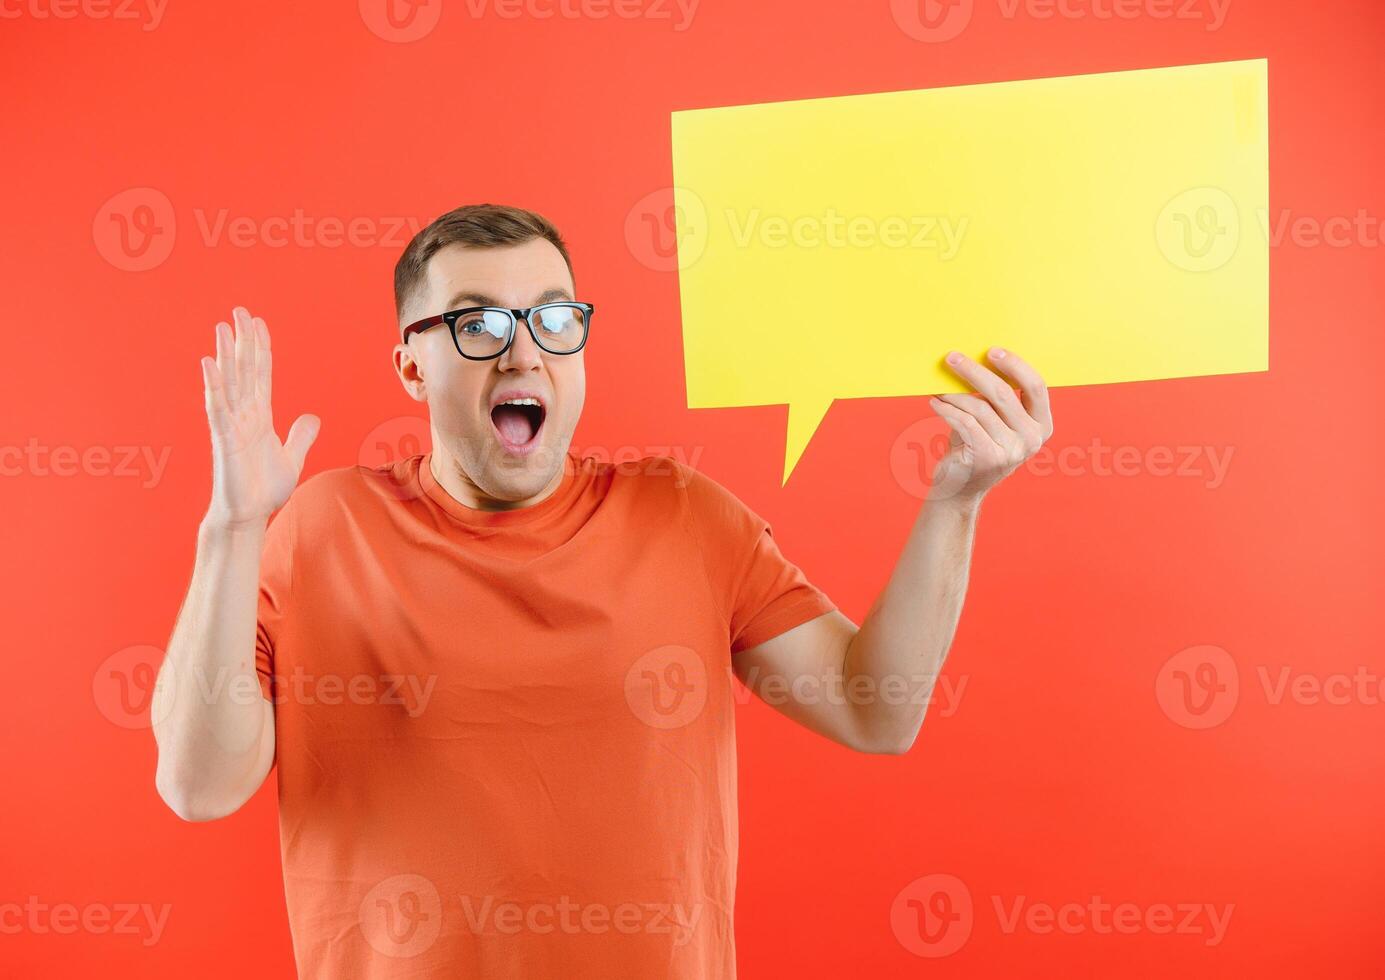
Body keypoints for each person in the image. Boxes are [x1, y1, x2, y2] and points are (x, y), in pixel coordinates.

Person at [151, 203, 1053, 978]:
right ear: (412, 367)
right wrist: (231, 529)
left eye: (551, 319)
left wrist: (956, 498)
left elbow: (875, 709)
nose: (521, 355)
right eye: (478, 326)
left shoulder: (683, 516)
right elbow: (199, 785)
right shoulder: (321, 529)